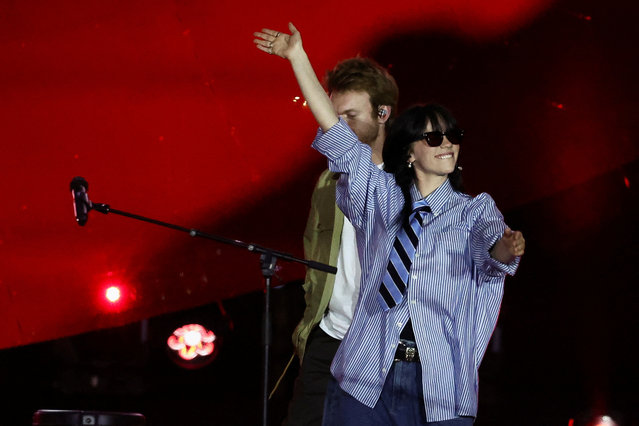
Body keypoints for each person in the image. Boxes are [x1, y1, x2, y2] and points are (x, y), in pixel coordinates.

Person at [254, 23, 525, 425]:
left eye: (452, 136)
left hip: (439, 385)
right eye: (433, 138)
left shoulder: (477, 210)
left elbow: (489, 255)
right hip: (364, 370)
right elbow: (336, 134)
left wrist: (505, 248)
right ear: (411, 152)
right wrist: (298, 58)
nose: (446, 143)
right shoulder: (380, 195)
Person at [285, 57, 398, 426]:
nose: (339, 127)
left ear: (383, 113)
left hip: (386, 348)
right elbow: (313, 254)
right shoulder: (328, 182)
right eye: (335, 116)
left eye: (351, 116)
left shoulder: (411, 182)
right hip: (330, 339)